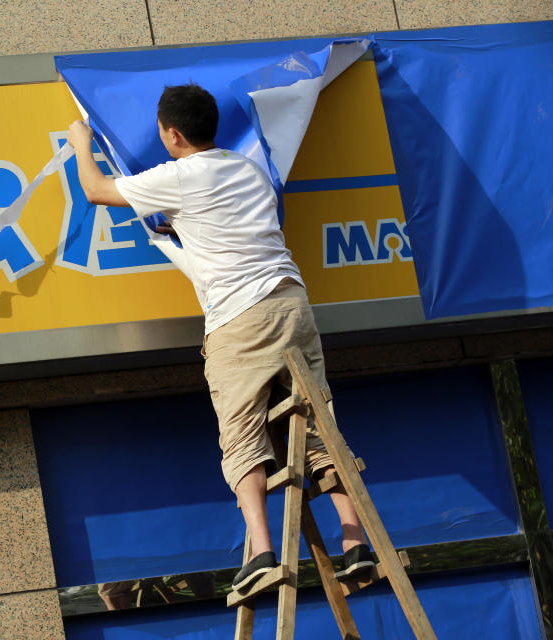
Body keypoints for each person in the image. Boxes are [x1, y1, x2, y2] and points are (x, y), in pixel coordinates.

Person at [66, 83, 374, 591]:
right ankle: (355, 542)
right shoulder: (249, 169)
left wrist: (81, 142)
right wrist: (184, 232)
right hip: (292, 301)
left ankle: (263, 552)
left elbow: (99, 191)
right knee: (318, 426)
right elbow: (260, 223)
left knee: (241, 433)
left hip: (240, 318)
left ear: (174, 134)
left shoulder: (179, 174)